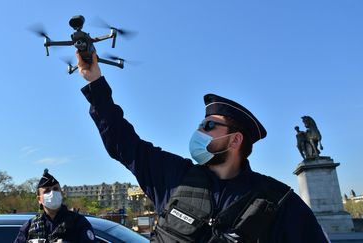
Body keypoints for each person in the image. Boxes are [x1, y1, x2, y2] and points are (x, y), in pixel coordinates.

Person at [75, 52, 329, 242]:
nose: (198, 132)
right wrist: (94, 81)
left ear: (235, 140)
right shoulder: (174, 177)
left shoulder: (279, 202)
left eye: (208, 126)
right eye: (199, 125)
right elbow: (122, 141)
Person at [14, 169, 96, 243]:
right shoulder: (29, 227)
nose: (52, 193)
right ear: (39, 199)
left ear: (62, 194)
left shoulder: (78, 222)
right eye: (47, 191)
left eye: (55, 189)